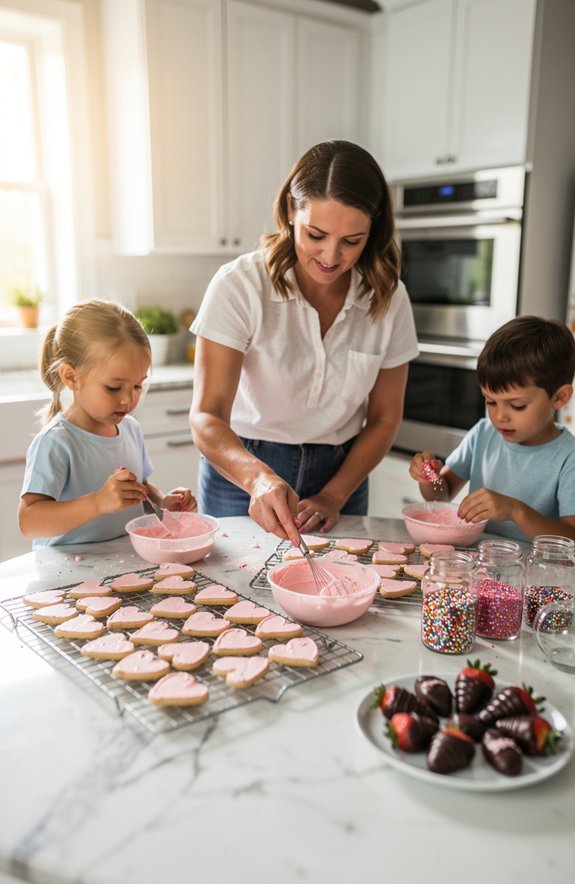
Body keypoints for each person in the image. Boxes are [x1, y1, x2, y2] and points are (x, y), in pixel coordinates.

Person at [190, 140, 419, 543]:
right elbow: (206, 417)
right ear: (291, 212)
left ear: (374, 228)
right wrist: (257, 478)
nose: (332, 256)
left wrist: (334, 494)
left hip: (343, 472)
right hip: (242, 471)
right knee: (235, 596)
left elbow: (384, 418)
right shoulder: (239, 285)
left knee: (337, 591)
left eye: (352, 240)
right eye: (317, 234)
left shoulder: (388, 297)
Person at [19, 299, 197, 547]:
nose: (128, 399)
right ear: (71, 377)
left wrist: (163, 502)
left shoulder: (130, 429)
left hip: (121, 563)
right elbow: (29, 521)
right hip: (67, 573)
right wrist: (98, 502)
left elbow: (141, 488)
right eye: (113, 388)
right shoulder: (57, 442)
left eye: (137, 385)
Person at [409, 315, 575, 542]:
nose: (499, 417)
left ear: (560, 397)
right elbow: (442, 495)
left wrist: (516, 511)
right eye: (491, 402)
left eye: (517, 406)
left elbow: (572, 540)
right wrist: (430, 478)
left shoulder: (569, 457)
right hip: (479, 565)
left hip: (533, 573)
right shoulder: (483, 434)